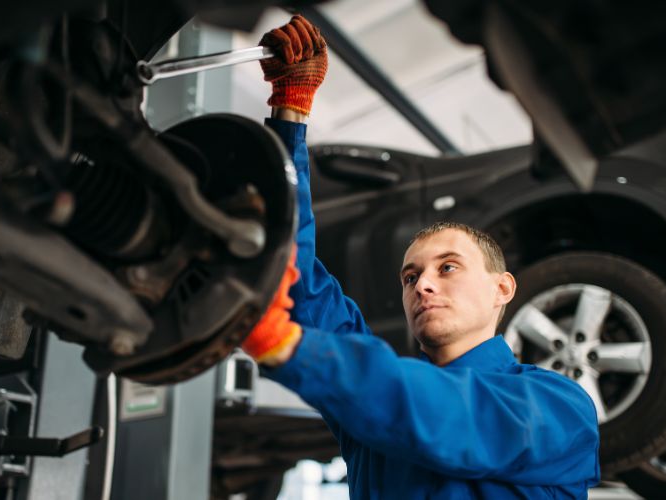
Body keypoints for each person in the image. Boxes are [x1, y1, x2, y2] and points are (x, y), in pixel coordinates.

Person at [241, 15, 601, 499]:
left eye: (447, 267)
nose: (423, 286)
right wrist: (291, 111)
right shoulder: (371, 408)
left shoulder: (558, 404)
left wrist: (296, 349)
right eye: (411, 277)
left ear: (503, 288)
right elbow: (298, 283)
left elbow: (453, 419)